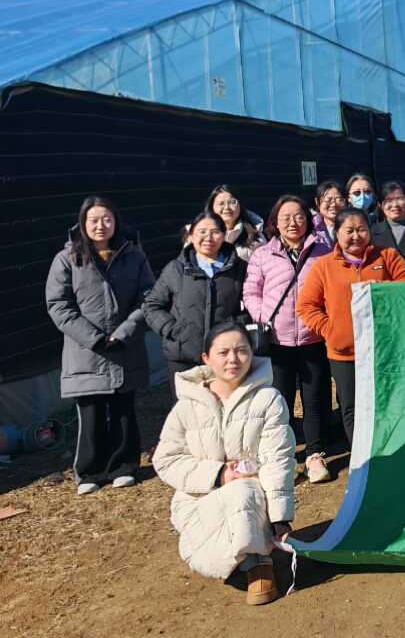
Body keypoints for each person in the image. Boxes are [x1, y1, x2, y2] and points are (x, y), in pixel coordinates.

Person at [152, 323, 296, 604]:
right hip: (201, 497)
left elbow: (277, 457)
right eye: (223, 352)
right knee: (220, 524)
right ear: (206, 358)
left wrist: (280, 517)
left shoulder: (268, 399)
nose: (233, 359)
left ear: (252, 353)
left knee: (243, 490)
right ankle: (234, 555)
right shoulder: (186, 407)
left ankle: (257, 563)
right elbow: (166, 459)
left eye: (242, 350)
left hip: (252, 497)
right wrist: (219, 474)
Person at [45, 196, 155, 495]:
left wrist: (126, 331)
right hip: (85, 351)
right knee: (91, 414)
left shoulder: (133, 255)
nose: (100, 225)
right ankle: (90, 472)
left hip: (125, 346)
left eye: (107, 219)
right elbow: (59, 305)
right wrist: (92, 337)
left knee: (123, 411)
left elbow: (148, 297)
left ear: (116, 222)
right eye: (93, 220)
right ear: (82, 223)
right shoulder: (67, 258)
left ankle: (124, 466)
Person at [297, 207, 405, 445]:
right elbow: (306, 306)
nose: (356, 236)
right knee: (352, 408)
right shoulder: (324, 265)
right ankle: (361, 458)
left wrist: (381, 290)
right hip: (344, 353)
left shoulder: (387, 256)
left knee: (387, 402)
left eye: (361, 229)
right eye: (349, 231)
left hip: (385, 349)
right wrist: (330, 330)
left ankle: (391, 451)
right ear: (337, 233)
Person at [242, 195, 334, 484]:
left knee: (315, 398)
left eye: (299, 216)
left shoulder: (323, 250)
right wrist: (262, 316)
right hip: (277, 340)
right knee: (279, 400)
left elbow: (332, 288)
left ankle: (315, 454)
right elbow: (251, 291)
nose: (293, 222)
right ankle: (283, 456)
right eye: (286, 217)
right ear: (275, 222)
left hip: (313, 337)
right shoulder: (263, 254)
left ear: (308, 220)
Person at [145, 212, 248, 380]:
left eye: (215, 232)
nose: (208, 237)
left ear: (224, 236)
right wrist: (172, 329)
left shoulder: (239, 268)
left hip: (226, 356)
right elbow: (152, 305)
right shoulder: (176, 268)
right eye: (202, 232)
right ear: (191, 236)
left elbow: (252, 302)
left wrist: (238, 325)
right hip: (183, 355)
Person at [200, 185, 264, 261]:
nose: (227, 207)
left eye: (232, 202)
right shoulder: (198, 234)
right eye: (221, 203)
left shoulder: (255, 236)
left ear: (240, 205)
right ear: (212, 208)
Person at [370, 180, 405, 263]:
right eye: (389, 200)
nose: (395, 205)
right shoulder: (372, 232)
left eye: (400, 198)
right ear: (380, 205)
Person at [312, 180, 345, 249]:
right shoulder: (311, 227)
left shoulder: (352, 224)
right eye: (328, 200)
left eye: (338, 199)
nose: (333, 204)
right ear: (317, 202)